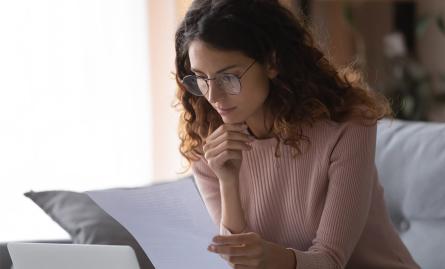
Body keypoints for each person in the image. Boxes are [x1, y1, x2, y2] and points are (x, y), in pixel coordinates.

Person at [174, 0, 420, 268]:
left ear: (272, 62)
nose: (213, 96)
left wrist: (268, 256)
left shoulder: (348, 125)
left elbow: (330, 260)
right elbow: (238, 262)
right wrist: (228, 179)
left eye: (228, 77)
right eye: (200, 78)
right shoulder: (207, 142)